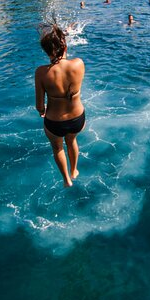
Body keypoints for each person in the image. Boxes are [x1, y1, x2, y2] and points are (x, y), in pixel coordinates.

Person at [35, 23, 86, 187]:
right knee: (72, 141)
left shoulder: (42, 72)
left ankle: (66, 179)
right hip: (77, 118)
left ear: (46, 50)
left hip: (55, 122)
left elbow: (39, 105)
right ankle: (74, 170)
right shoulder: (78, 64)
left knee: (58, 148)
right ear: (64, 45)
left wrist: (42, 111)